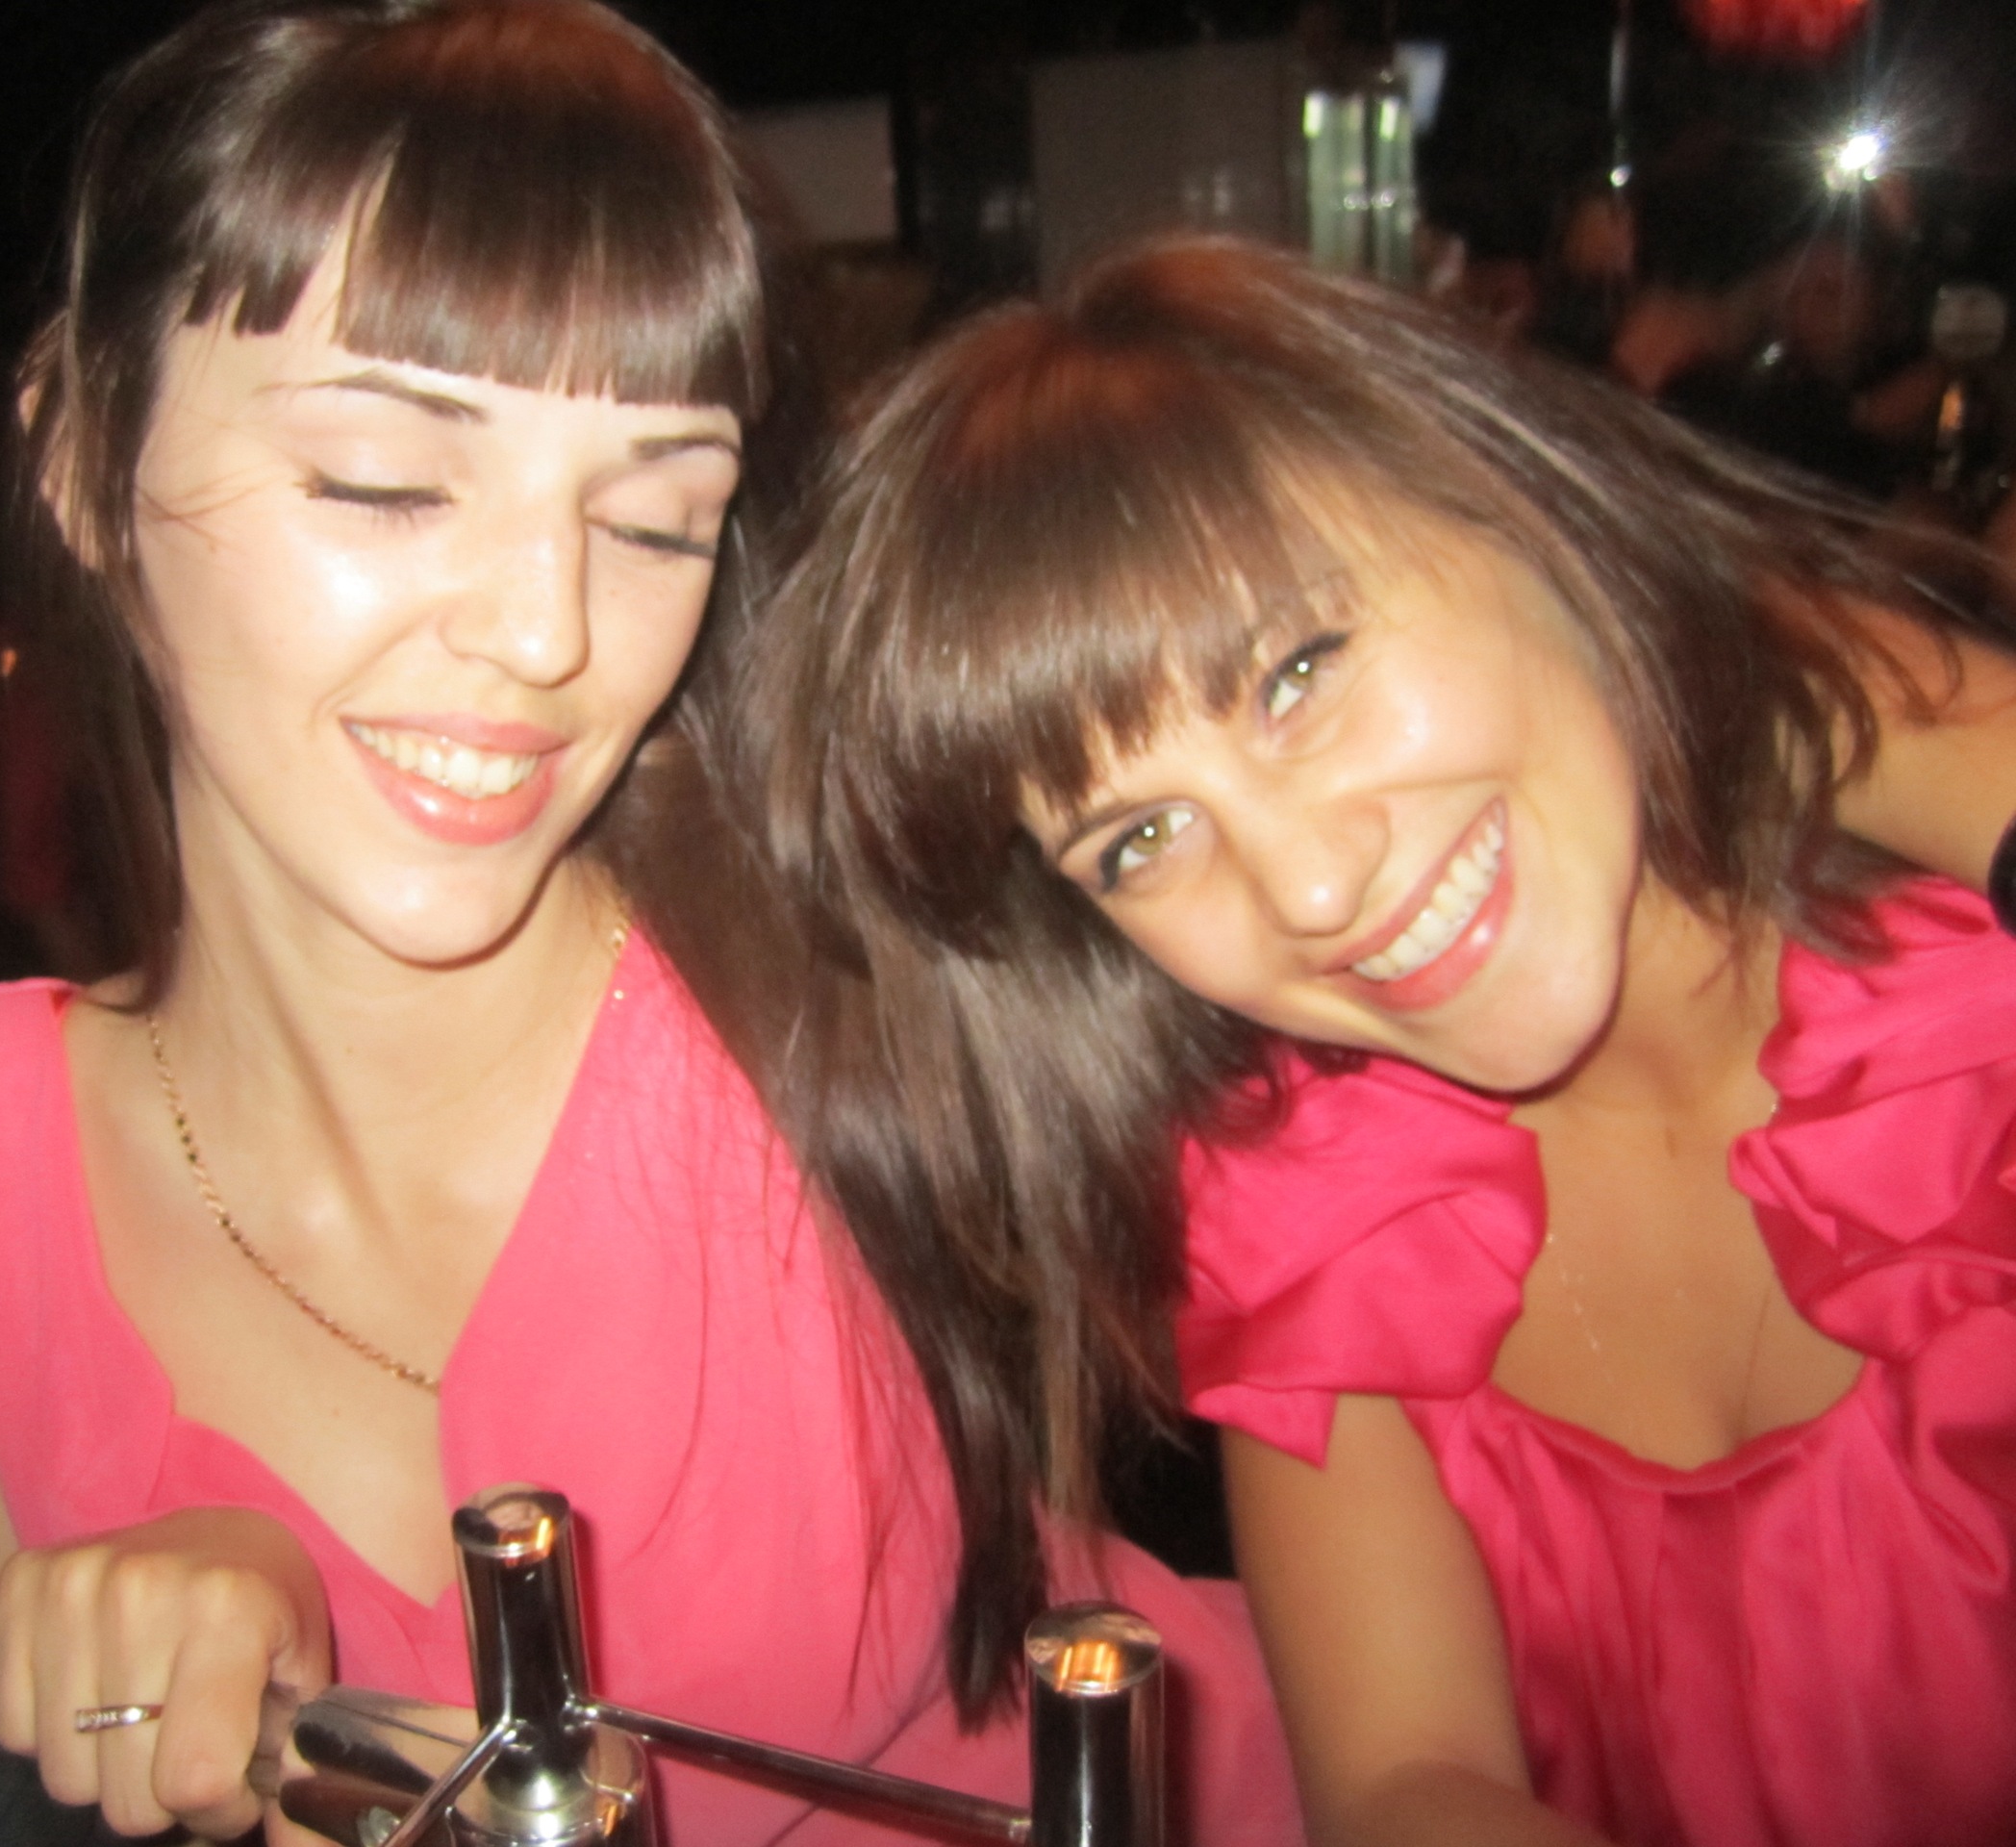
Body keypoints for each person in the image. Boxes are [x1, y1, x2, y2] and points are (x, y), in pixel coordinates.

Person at [0, 12, 1299, 1846]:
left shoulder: (837, 959)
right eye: (383, 480)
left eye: (657, 520)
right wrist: (175, 1684)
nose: (549, 635)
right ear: (80, 458)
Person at [742, 235, 2016, 1847]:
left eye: (1298, 671)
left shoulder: (1976, 1030)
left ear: (1507, 503)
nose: (1313, 887)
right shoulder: (1327, 1212)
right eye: (1139, 840)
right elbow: (1408, 1783)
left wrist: (1787, 659)